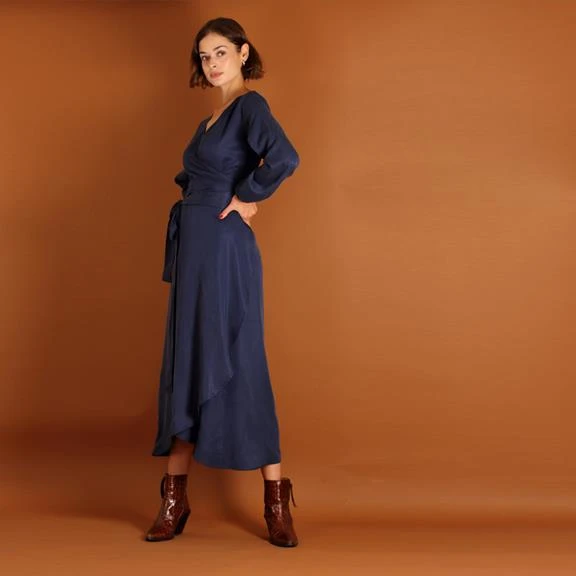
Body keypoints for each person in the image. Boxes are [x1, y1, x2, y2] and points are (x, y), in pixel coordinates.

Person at [145, 17, 300, 547]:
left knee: (240, 357)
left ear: (242, 52)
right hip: (194, 251)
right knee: (187, 359)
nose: (211, 63)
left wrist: (248, 195)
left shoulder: (250, 107)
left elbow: (285, 157)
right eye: (204, 55)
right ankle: (174, 499)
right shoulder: (208, 121)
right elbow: (196, 178)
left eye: (220, 52)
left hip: (225, 250)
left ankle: (275, 501)